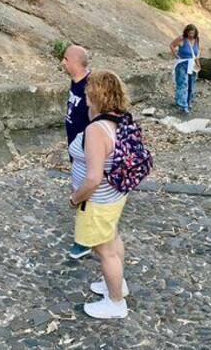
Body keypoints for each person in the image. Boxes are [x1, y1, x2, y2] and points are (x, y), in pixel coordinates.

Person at [69, 70, 131, 319]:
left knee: (103, 250)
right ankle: (117, 284)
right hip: (115, 195)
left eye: (87, 95)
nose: (85, 100)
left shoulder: (96, 130)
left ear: (95, 97)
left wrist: (75, 198)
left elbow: (93, 177)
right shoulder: (121, 118)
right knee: (113, 238)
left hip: (98, 201)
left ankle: (116, 303)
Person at [61, 44, 92, 260]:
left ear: (76, 62)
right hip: (75, 149)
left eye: (65, 59)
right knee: (80, 189)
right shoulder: (75, 82)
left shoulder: (90, 87)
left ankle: (84, 241)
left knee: (84, 194)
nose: (62, 63)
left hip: (87, 152)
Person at [169, 24, 201, 114]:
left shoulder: (197, 40)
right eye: (189, 32)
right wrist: (176, 55)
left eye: (193, 33)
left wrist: (198, 64)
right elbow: (171, 45)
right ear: (186, 32)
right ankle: (183, 105)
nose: (191, 34)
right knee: (183, 84)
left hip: (192, 64)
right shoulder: (182, 39)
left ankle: (188, 102)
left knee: (191, 84)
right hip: (182, 64)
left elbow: (197, 53)